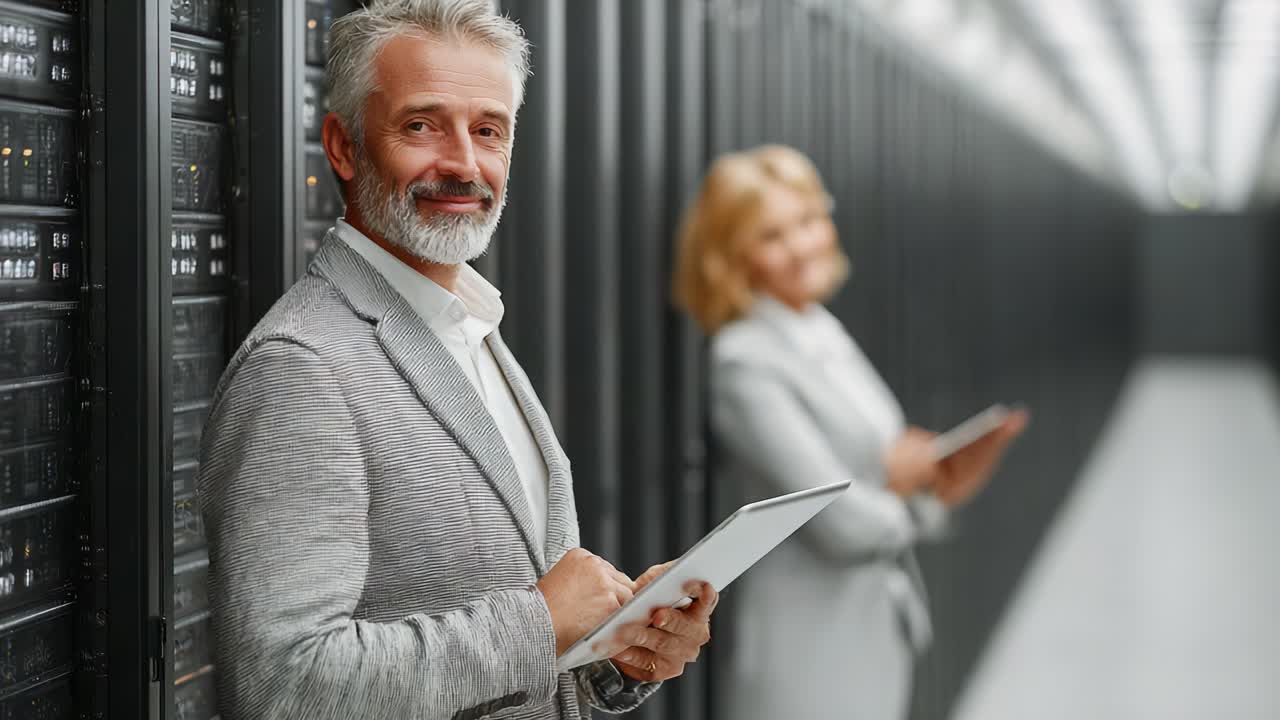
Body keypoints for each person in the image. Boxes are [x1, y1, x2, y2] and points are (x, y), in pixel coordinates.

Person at [196, 2, 715, 718]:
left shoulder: (471, 326)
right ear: (343, 147)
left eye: (488, 130)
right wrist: (538, 621)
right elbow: (283, 685)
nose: (463, 164)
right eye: (420, 125)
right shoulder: (301, 369)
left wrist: (615, 650)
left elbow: (520, 631)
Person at [672, 145, 1028, 720]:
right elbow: (838, 522)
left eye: (808, 221)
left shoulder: (817, 326)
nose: (801, 246)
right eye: (771, 236)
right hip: (808, 644)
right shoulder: (746, 361)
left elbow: (881, 470)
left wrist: (936, 479)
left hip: (870, 623)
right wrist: (914, 492)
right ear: (733, 256)